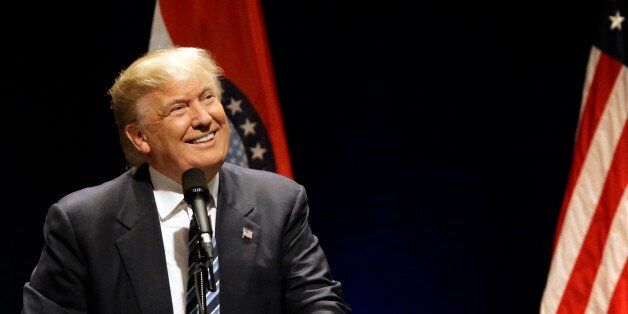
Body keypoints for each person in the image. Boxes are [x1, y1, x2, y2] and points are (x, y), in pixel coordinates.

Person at [22, 46, 351, 313]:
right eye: (179, 108)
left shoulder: (277, 202)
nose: (205, 118)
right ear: (140, 137)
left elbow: (318, 304)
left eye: (208, 98)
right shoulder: (85, 222)